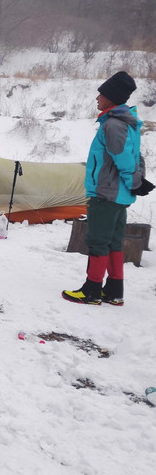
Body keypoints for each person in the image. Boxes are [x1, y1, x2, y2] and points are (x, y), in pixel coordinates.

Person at [62, 71, 144, 306]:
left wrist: (134, 181)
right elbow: (135, 156)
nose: (97, 98)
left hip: (106, 193)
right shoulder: (123, 123)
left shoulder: (114, 125)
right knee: (113, 242)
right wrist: (135, 182)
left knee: (98, 241)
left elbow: (125, 159)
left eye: (102, 94)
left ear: (112, 98)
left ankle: (92, 290)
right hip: (117, 194)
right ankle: (114, 291)